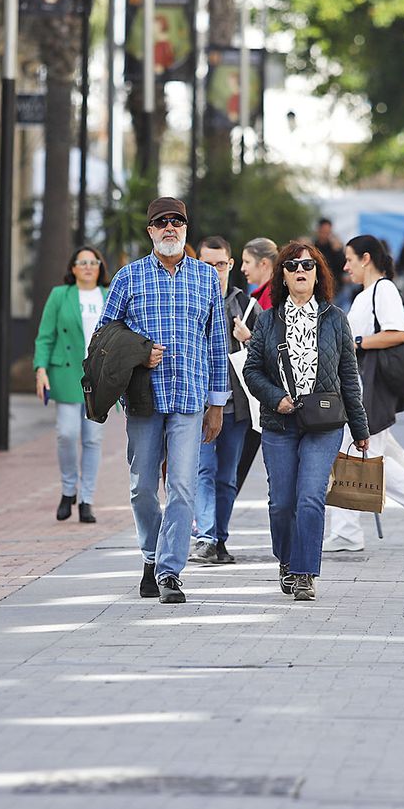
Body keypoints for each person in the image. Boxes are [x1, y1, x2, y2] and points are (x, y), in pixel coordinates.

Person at [97, 197, 230, 604]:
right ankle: (151, 556)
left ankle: (170, 572)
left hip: (190, 397)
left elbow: (216, 342)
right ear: (151, 231)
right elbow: (104, 337)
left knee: (183, 487)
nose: (169, 228)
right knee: (141, 488)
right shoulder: (128, 278)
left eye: (177, 222)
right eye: (161, 223)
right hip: (143, 399)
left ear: (185, 230)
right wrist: (139, 352)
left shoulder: (207, 278)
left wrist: (217, 404)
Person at [242, 242, 370, 602]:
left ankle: (304, 572)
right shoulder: (268, 320)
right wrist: (275, 397)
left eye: (309, 266)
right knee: (282, 503)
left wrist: (359, 429)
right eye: (293, 265)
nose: (301, 271)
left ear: (318, 275)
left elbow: (349, 377)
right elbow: (252, 371)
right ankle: (287, 560)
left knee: (311, 496)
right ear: (282, 274)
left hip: (324, 423)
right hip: (279, 424)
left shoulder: (335, 319)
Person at [322, 237, 404, 555]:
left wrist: (358, 343)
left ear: (366, 259)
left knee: (364, 458)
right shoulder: (367, 294)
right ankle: (346, 531)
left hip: (372, 388)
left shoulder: (383, 290)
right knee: (353, 455)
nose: (346, 266)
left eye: (350, 259)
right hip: (362, 387)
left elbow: (398, 332)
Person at [33, 246, 110, 524]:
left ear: (100, 267)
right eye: (83, 262)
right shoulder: (59, 295)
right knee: (66, 433)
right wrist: (40, 369)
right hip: (65, 372)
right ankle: (68, 490)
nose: (88, 267)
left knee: (92, 438)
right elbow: (45, 336)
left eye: (93, 262)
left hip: (98, 377)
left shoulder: (108, 296)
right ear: (73, 268)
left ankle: (87, 499)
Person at [190, 237, 251, 566]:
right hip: (199, 403)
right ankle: (206, 537)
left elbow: (264, 354)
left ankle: (220, 539)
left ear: (231, 264)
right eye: (207, 264)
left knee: (227, 476)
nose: (214, 271)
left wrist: (248, 337)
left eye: (221, 264)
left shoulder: (246, 304)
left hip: (236, 405)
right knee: (204, 470)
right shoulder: (191, 300)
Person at [233, 237, 280, 490]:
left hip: (263, 393)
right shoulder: (260, 297)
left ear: (264, 263)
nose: (242, 268)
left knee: (239, 462)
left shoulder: (268, 300)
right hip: (265, 392)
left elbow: (271, 347)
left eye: (246, 261)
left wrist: (248, 338)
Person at [314, 218, 350, 303]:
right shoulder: (313, 247)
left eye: (328, 231)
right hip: (317, 287)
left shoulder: (334, 247)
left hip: (336, 288)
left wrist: (338, 251)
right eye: (323, 231)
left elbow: (343, 266)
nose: (325, 234)